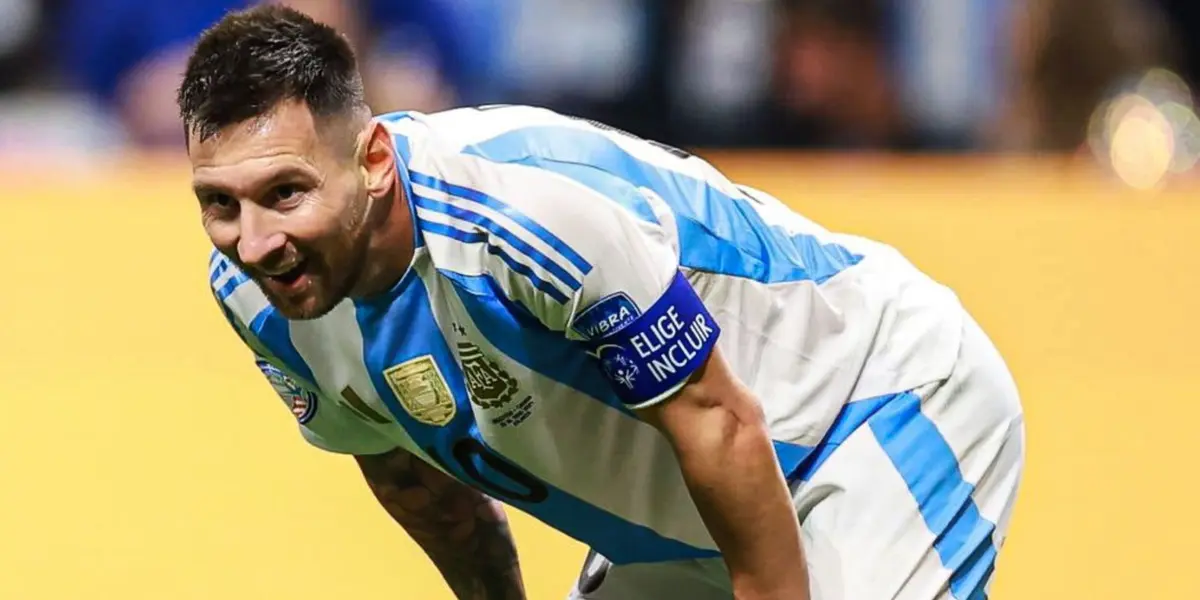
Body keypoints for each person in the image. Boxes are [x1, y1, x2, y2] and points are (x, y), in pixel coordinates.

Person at [181, 6, 1025, 599]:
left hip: (871, 410)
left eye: (285, 193)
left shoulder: (524, 215)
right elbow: (408, 473)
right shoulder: (259, 297)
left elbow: (721, 421)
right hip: (693, 511)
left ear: (370, 160)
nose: (253, 243)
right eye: (221, 204)